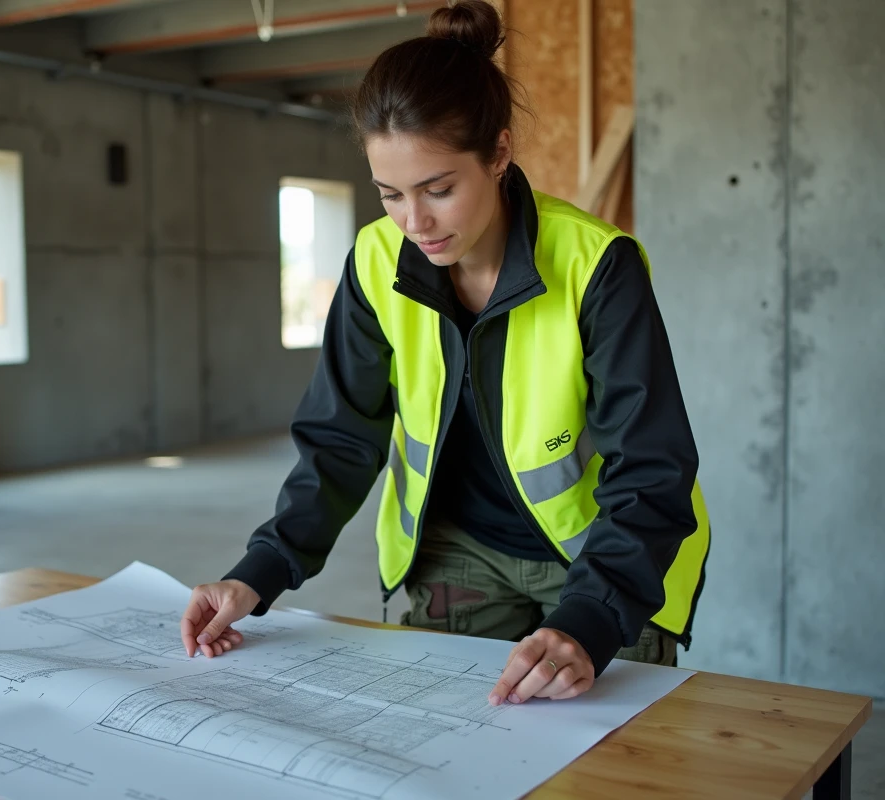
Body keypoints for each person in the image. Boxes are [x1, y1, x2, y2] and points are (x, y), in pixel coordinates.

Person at [178, 0, 709, 707]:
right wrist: (262, 568)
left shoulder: (596, 265)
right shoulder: (374, 259)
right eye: (390, 194)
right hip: (452, 555)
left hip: (597, 561)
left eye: (439, 190)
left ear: (498, 154)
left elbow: (652, 467)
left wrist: (592, 616)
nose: (414, 222)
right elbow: (341, 436)